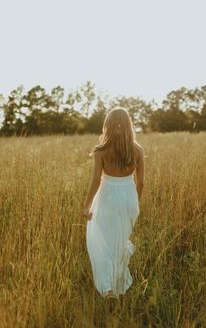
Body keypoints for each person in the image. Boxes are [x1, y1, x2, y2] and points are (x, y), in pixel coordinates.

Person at [82, 106, 144, 299]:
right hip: (128, 197)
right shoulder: (137, 150)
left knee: (99, 242)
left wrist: (86, 205)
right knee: (118, 242)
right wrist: (134, 203)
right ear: (128, 126)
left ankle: (108, 289)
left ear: (107, 125)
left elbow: (95, 180)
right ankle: (114, 286)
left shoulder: (101, 150)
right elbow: (140, 182)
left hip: (107, 197)